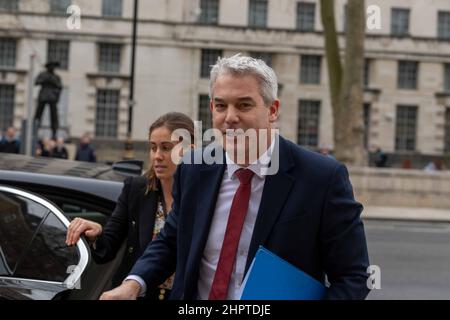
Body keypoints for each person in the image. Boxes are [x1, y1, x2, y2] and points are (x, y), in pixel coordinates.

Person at [100, 54, 370, 300]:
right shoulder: (194, 169)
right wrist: (132, 285)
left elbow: (353, 278)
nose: (230, 118)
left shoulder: (321, 178)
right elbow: (171, 241)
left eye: (244, 105)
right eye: (221, 106)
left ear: (273, 110)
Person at [66, 112, 195, 300]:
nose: (157, 156)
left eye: (166, 148)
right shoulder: (136, 190)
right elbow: (108, 247)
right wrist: (96, 232)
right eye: (153, 148)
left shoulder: (202, 196)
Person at [34, 61, 62, 140]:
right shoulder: (43, 74)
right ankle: (34, 130)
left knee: (54, 116)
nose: (53, 68)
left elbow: (59, 87)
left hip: (52, 97)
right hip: (43, 95)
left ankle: (54, 133)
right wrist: (45, 80)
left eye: (54, 67)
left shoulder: (56, 77)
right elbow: (36, 82)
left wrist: (56, 96)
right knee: (38, 114)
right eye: (51, 66)